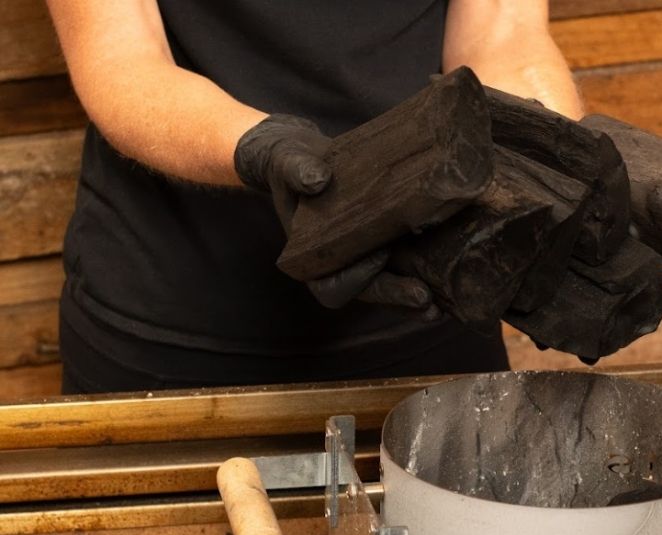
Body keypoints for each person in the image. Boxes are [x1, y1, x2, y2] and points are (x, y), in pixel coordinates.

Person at [45, 0, 584, 394]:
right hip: (166, 324)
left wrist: (546, 165)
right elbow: (122, 59)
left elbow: (502, 33)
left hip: (431, 298)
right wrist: (260, 150)